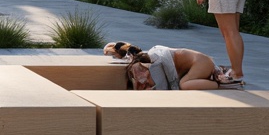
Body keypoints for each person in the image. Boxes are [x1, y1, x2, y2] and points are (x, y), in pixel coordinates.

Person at [103, 41, 241, 90]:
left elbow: (164, 89)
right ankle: (217, 75)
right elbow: (130, 54)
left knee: (185, 85)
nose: (143, 81)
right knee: (185, 82)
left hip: (201, 63)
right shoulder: (146, 56)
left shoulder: (156, 64)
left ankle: (225, 85)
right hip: (201, 62)